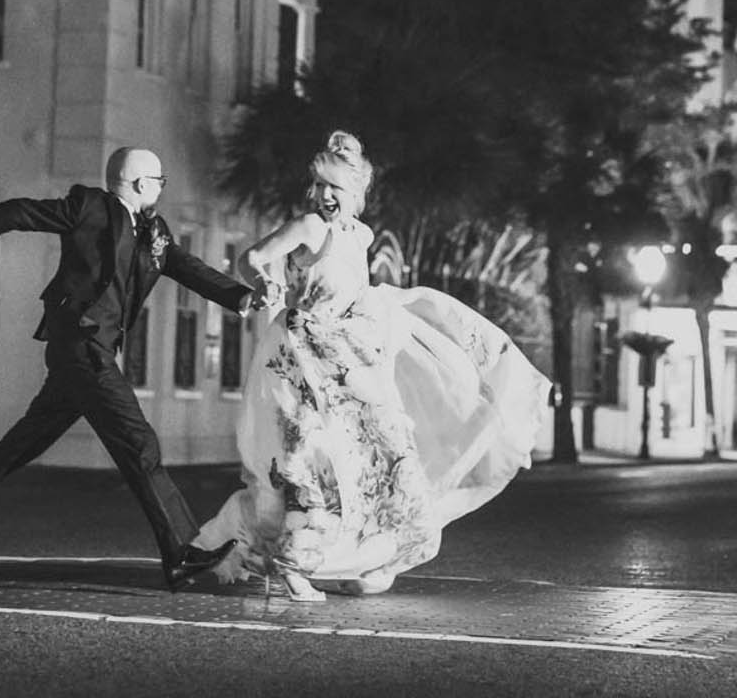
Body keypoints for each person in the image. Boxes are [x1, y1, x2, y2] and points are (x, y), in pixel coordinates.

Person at [194, 131, 549, 602]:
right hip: (300, 358)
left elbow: (355, 295)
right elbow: (252, 257)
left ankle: (370, 559)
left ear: (356, 194)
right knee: (307, 463)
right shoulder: (309, 227)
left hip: (349, 360)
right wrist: (263, 283)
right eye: (319, 186)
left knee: (379, 461)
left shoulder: (359, 236)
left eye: (335, 189)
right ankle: (291, 563)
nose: (324, 197)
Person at [0, 146, 264, 590]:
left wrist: (240, 297)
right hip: (80, 346)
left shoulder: (155, 230)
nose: (162, 188)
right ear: (137, 183)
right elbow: (21, 212)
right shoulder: (90, 207)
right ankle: (180, 553)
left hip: (93, 353)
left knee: (19, 446)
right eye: (159, 181)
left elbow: (186, 267)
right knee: (139, 443)